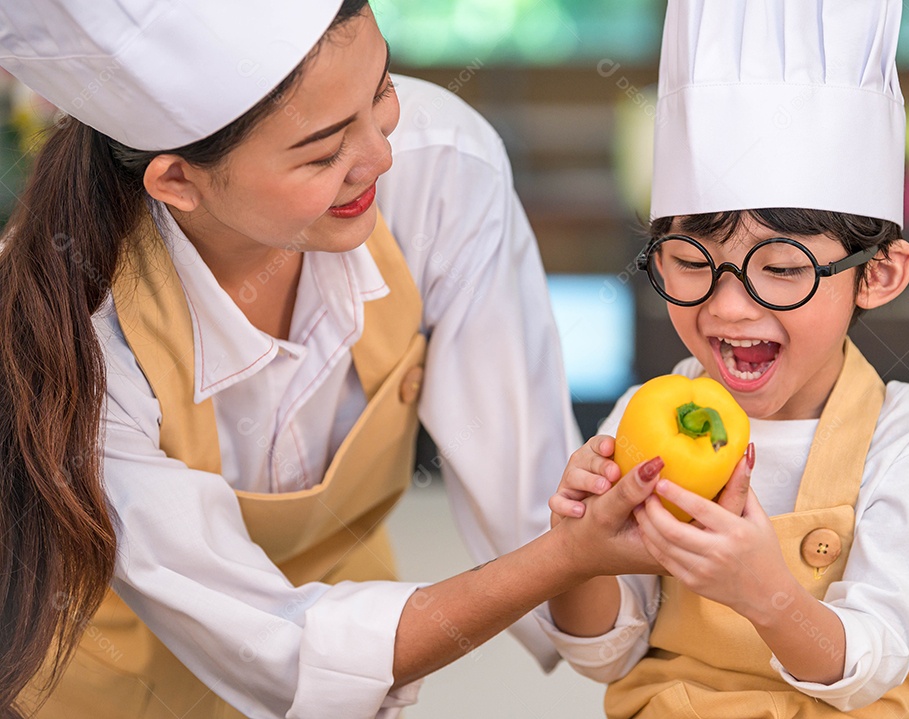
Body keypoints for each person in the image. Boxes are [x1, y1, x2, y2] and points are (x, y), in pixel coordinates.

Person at [0, 2, 661, 717]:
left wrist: (622, 595)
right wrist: (567, 556)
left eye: (381, 90)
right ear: (178, 182)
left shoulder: (440, 171)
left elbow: (537, 500)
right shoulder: (74, 330)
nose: (380, 156)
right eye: (321, 153)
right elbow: (285, 650)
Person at [538, 1, 909, 717]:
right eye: (690, 260)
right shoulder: (641, 415)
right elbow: (606, 654)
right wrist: (578, 555)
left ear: (878, 273)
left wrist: (765, 594)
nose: (730, 307)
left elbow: (874, 664)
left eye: (783, 268)